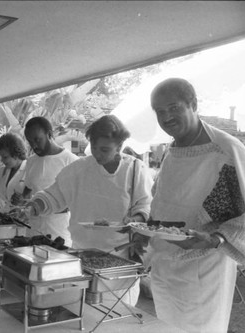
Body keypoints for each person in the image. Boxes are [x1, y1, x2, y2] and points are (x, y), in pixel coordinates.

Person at [143, 78, 245, 333]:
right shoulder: (172, 150)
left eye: (173, 107)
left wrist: (215, 239)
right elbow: (161, 201)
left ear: (193, 104)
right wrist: (144, 231)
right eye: (159, 111)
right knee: (166, 326)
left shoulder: (225, 150)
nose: (166, 116)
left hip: (204, 270)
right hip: (165, 265)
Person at [23, 115, 153, 305]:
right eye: (94, 148)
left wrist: (137, 217)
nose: (98, 154)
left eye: (105, 150)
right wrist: (34, 206)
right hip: (82, 256)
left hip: (120, 260)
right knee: (84, 309)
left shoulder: (135, 169)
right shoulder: (78, 169)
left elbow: (146, 204)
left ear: (120, 146)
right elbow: (53, 195)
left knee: (118, 314)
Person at [12, 116, 79, 245]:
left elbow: (75, 203)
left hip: (59, 232)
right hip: (33, 230)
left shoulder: (71, 161)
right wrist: (21, 201)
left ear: (49, 134)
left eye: (37, 139)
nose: (34, 145)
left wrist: (44, 207)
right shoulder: (31, 161)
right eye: (30, 141)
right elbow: (28, 191)